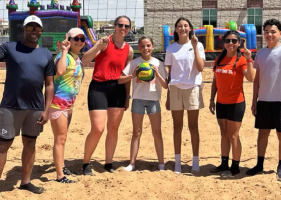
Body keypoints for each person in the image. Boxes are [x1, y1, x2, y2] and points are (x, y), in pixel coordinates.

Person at [0, 15, 55, 200]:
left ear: (41, 31)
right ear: (23, 30)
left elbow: (49, 84)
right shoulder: (10, 47)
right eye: (29, 28)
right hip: (11, 106)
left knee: (30, 143)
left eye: (36, 28)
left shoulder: (46, 54)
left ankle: (25, 181)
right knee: (3, 145)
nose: (33, 31)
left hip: (35, 108)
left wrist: (47, 110)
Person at [246, 19, 281, 182]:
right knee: (262, 133)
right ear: (263, 34)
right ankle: (259, 164)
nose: (269, 34)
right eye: (266, 32)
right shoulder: (261, 54)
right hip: (264, 100)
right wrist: (254, 99)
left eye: (273, 32)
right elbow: (257, 79)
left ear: (280, 34)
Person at [82, 15, 134, 175]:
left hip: (117, 89)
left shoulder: (129, 50)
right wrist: (98, 46)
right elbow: (84, 60)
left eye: (126, 26)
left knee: (113, 128)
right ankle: (85, 163)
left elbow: (126, 75)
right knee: (98, 128)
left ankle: (108, 162)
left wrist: (127, 96)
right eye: (120, 25)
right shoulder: (105, 43)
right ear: (114, 26)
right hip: (99, 87)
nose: (123, 28)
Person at [209, 30, 255, 177]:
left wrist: (249, 59)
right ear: (224, 42)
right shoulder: (219, 60)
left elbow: (251, 78)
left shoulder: (241, 59)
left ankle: (235, 167)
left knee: (233, 135)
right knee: (223, 134)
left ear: (239, 43)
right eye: (228, 40)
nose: (231, 43)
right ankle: (224, 163)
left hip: (236, 103)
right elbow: (215, 81)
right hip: (221, 102)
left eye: (234, 41)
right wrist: (211, 99)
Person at [119, 36, 168, 172]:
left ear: (152, 47)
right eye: (142, 46)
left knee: (157, 132)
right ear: (138, 48)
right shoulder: (135, 63)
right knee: (136, 132)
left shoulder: (159, 63)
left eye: (148, 45)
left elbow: (165, 86)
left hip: (153, 100)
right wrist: (132, 76)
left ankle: (161, 164)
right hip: (138, 100)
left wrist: (157, 74)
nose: (145, 48)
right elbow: (120, 79)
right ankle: (132, 163)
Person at [165, 17, 205, 174]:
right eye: (180, 26)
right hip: (175, 88)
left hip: (192, 87)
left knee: (193, 126)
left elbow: (201, 68)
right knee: (177, 127)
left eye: (185, 26)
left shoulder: (198, 45)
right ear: (175, 30)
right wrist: (168, 95)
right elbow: (169, 74)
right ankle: (177, 162)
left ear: (190, 28)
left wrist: (194, 47)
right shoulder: (171, 48)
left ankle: (195, 160)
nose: (183, 28)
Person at [49, 28, 85, 184]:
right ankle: (59, 176)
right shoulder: (64, 56)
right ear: (68, 40)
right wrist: (63, 51)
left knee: (62, 138)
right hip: (58, 104)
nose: (79, 41)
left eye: (82, 38)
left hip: (68, 104)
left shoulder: (76, 58)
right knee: (60, 139)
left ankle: (61, 166)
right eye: (75, 38)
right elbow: (60, 70)